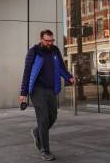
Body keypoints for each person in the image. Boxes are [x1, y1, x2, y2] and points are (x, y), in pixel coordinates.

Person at [20, 30, 74, 161]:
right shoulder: (34, 52)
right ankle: (45, 150)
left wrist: (69, 77)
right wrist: (23, 93)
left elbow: (61, 67)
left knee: (53, 116)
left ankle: (37, 132)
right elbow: (27, 72)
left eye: (51, 41)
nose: (50, 43)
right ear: (41, 39)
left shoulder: (55, 50)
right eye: (47, 41)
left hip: (51, 88)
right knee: (43, 118)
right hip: (37, 89)